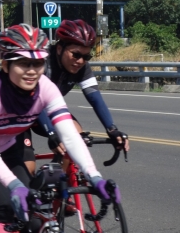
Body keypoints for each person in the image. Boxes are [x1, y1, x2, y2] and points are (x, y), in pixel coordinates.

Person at [0, 24, 120, 233]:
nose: (31, 71)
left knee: (37, 214)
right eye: (23, 63)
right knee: (5, 207)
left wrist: (95, 177)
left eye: (38, 63)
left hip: (8, 147)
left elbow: (70, 136)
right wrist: (15, 185)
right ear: (5, 64)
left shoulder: (46, 87)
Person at [20, 19, 130, 175]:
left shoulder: (81, 67)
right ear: (59, 48)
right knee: (27, 170)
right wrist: (51, 133)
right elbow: (35, 102)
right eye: (76, 54)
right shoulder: (41, 63)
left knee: (77, 139)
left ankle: (58, 188)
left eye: (86, 57)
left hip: (49, 111)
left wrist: (112, 130)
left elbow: (95, 99)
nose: (80, 61)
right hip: (21, 115)